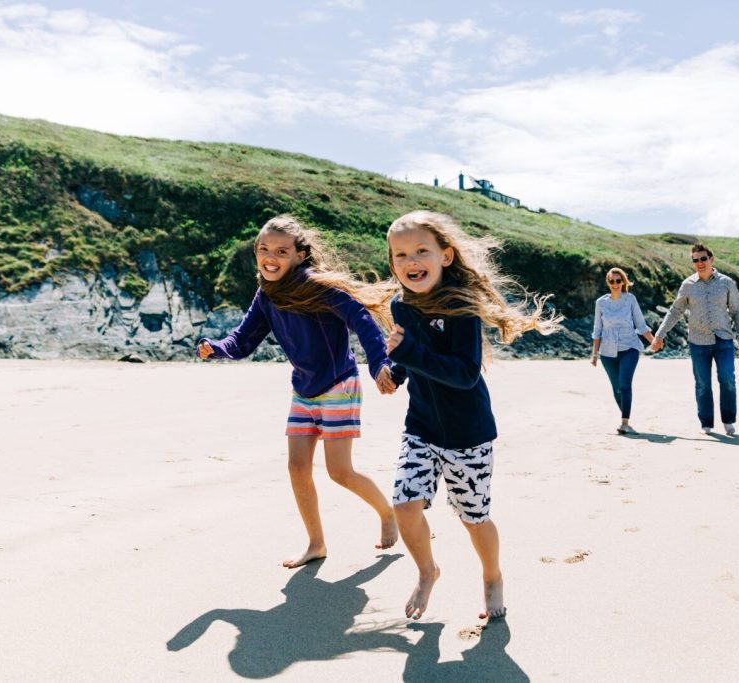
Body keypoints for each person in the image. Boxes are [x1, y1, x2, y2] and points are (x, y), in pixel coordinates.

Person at [383, 210, 562, 621]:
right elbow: (415, 360)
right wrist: (395, 371)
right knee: (404, 505)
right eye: (400, 255)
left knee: (473, 517)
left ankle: (492, 575)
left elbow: (463, 374)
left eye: (421, 251)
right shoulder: (402, 306)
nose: (411, 261)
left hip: (468, 435)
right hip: (422, 427)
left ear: (445, 256)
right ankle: (428, 571)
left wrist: (407, 354)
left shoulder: (461, 308)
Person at [197, 215, 399, 568]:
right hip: (303, 389)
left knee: (340, 472)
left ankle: (388, 513)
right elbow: (243, 339)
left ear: (300, 255)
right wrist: (217, 347)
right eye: (263, 249)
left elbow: (360, 319)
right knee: (297, 467)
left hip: (339, 384)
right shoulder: (267, 294)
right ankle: (316, 544)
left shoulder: (316, 286)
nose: (270, 257)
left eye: (281, 251)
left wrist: (379, 363)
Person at [650, 243, 739, 435]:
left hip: (723, 340)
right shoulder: (688, 285)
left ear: (711, 259)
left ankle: (728, 420)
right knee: (703, 384)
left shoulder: (726, 283)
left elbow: (737, 311)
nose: (700, 263)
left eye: (703, 259)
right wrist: (659, 335)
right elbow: (675, 311)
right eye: (695, 260)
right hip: (698, 342)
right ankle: (706, 423)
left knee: (727, 379)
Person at [590, 267, 656, 434]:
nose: (615, 284)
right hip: (607, 352)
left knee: (625, 384)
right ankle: (625, 416)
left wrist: (653, 341)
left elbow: (640, 324)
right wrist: (594, 354)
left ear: (623, 282)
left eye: (618, 281)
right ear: (608, 282)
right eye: (612, 281)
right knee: (617, 388)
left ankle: (624, 422)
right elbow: (597, 329)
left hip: (629, 348)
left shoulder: (630, 299)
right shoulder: (601, 303)